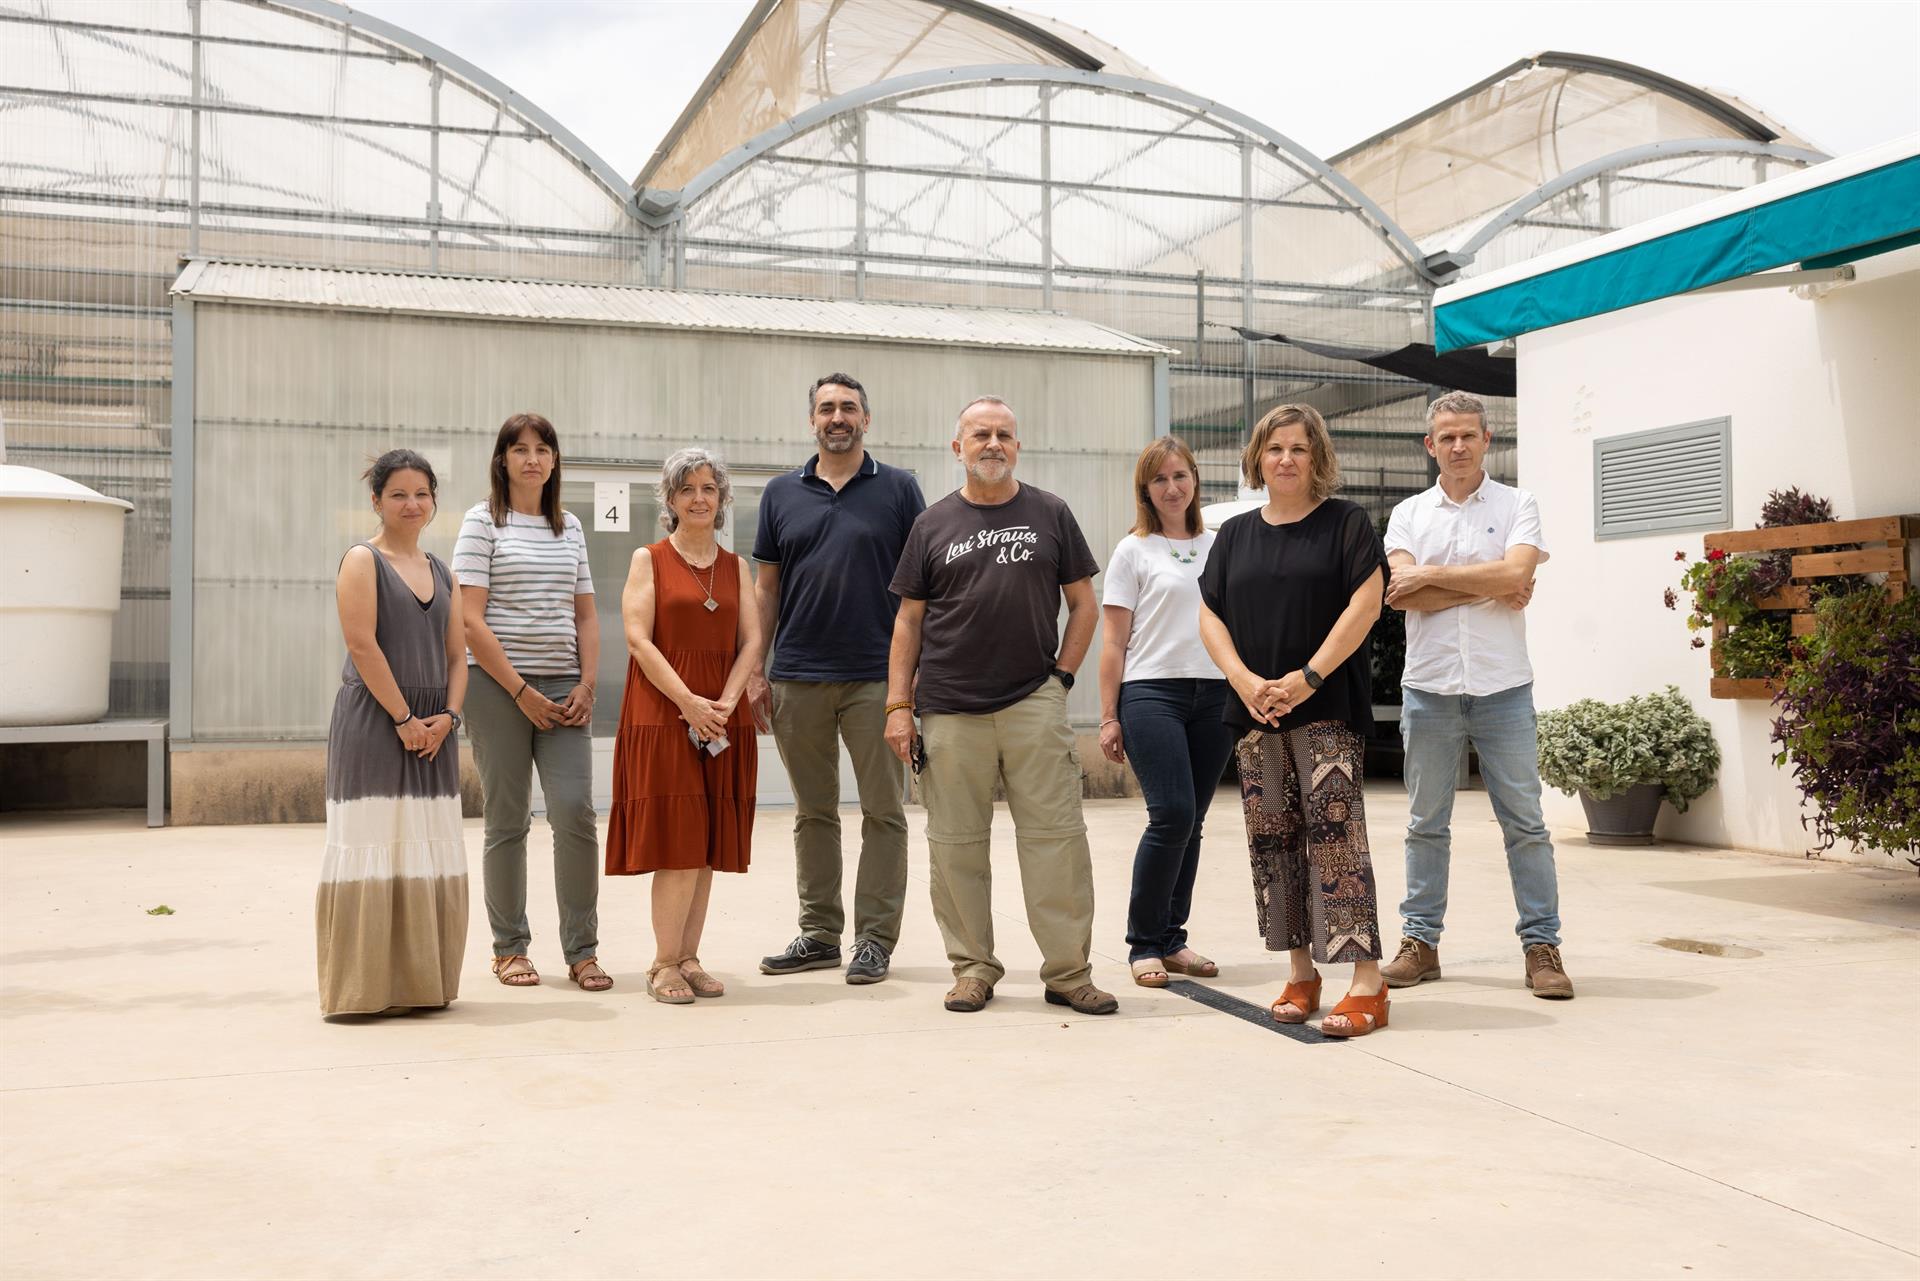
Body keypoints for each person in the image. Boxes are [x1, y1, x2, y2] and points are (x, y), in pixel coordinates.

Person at [885, 396, 1115, 1016]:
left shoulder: (1051, 513)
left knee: (1057, 839)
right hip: (949, 708)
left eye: (1004, 435)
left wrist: (1061, 679)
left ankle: (1069, 972)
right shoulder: (931, 525)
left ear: (1017, 446)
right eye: (980, 434)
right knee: (956, 843)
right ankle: (972, 968)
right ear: (956, 448)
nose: (993, 443)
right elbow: (908, 623)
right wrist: (897, 706)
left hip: (1031, 702)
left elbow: (1085, 604)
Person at [1198, 403, 1390, 1037]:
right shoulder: (1233, 535)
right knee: (1272, 843)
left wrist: (1309, 677)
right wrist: (1245, 681)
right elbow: (1210, 615)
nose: (1285, 459)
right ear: (1257, 458)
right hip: (1257, 713)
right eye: (1274, 448)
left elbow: (1367, 602)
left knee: (1336, 842)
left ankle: (1367, 982)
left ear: (1318, 458)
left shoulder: (1345, 524)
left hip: (1325, 708)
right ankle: (1302, 971)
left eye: (1298, 449)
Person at [1380, 390, 1571, 999]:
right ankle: (1420, 943)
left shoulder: (1520, 504)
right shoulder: (1408, 514)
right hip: (1429, 689)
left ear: (1488, 440)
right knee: (1424, 824)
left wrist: (1437, 576)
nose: (1458, 445)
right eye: (1446, 436)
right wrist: (1491, 582)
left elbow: (1514, 574)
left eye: (1469, 434)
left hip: (1503, 689)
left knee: (1526, 825)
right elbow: (1401, 594)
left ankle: (1542, 947)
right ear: (1429, 445)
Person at [748, 374, 926, 984]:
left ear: (866, 419)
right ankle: (819, 934)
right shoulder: (779, 494)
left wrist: (910, 685)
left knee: (884, 811)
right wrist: (756, 669)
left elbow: (922, 593)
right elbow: (765, 590)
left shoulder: (900, 490)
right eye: (827, 408)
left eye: (849, 406)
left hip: (877, 680)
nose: (837, 416)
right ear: (812, 421)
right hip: (797, 675)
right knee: (812, 812)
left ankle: (874, 940)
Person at [454, 413, 609, 992]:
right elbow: (470, 619)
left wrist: (587, 683)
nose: (533, 459)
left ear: (554, 461)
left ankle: (582, 949)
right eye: (520, 449)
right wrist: (519, 690)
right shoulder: (481, 523)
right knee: (508, 818)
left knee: (575, 813)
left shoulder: (569, 526)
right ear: (503, 460)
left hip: (565, 686)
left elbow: (586, 614)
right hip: (498, 689)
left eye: (543, 449)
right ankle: (509, 948)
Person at [605, 448, 762, 1004]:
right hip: (665, 712)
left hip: (721, 714)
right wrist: (689, 702)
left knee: (707, 840)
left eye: (709, 489)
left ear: (721, 501)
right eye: (688, 489)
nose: (699, 498)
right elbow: (637, 639)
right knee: (678, 842)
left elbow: (752, 642)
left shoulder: (735, 566)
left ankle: (689, 957)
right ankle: (662, 964)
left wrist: (722, 701)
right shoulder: (648, 559)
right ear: (670, 500)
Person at [317, 449, 468, 1016]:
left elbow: (458, 656)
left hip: (435, 731)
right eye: (399, 493)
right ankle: (362, 991)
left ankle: (422, 986)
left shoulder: (443, 570)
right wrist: (404, 719)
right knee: (372, 843)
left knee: (425, 851)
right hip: (377, 723)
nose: (412, 503)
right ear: (376, 500)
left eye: (422, 493)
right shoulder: (362, 560)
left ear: (434, 501)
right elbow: (362, 643)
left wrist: (448, 719)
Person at [1097, 436, 1235, 989]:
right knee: (1172, 814)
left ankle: (1173, 939)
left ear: (1195, 480)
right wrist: (1109, 715)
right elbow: (1112, 643)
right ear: (1145, 491)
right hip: (1151, 693)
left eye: (1180, 476)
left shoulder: (1220, 545)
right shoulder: (1133, 550)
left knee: (1193, 824)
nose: (1172, 487)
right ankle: (1143, 943)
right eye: (1160, 480)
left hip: (1216, 695)